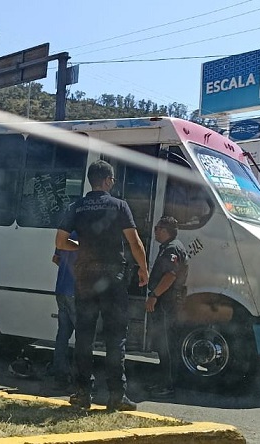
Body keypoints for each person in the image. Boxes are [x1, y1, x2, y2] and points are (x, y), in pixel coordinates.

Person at [56, 160, 149, 411]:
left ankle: (82, 393)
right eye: (113, 180)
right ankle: (117, 396)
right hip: (113, 277)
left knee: (84, 336)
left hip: (85, 277)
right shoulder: (119, 205)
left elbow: (61, 241)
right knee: (115, 337)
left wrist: (82, 248)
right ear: (107, 180)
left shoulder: (77, 206)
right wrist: (143, 268)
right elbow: (134, 242)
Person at [144, 216, 188, 399]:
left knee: (167, 344)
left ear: (166, 230)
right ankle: (164, 381)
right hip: (166, 301)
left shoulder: (172, 249)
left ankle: (168, 385)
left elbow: (170, 276)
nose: (154, 231)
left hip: (167, 302)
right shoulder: (170, 247)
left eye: (157, 228)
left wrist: (154, 296)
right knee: (164, 344)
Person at [50, 231, 78, 391]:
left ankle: (60, 373)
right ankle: (79, 376)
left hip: (61, 289)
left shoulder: (66, 236)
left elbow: (55, 259)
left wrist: (67, 266)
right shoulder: (85, 237)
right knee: (83, 336)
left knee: (63, 335)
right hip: (76, 291)